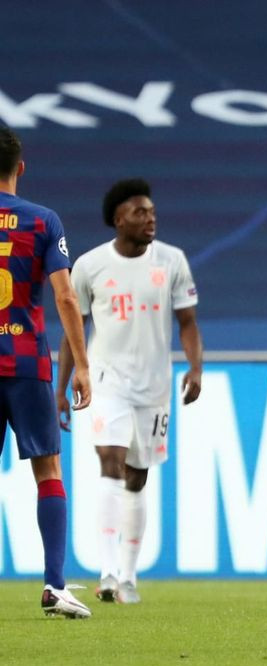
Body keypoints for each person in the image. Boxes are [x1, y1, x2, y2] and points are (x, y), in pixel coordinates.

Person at [56, 179, 203, 605]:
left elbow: (188, 321)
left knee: (138, 475)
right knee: (110, 460)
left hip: (154, 386)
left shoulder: (172, 261)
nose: (150, 218)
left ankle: (129, 574)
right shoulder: (89, 265)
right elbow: (73, 331)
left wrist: (195, 368)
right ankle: (106, 573)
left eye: (152, 212)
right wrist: (62, 387)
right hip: (107, 380)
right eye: (140, 212)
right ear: (119, 219)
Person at [0, 125, 93, 618]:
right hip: (26, 363)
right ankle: (54, 586)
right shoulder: (42, 221)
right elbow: (66, 296)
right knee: (48, 471)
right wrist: (79, 364)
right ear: (21, 166)